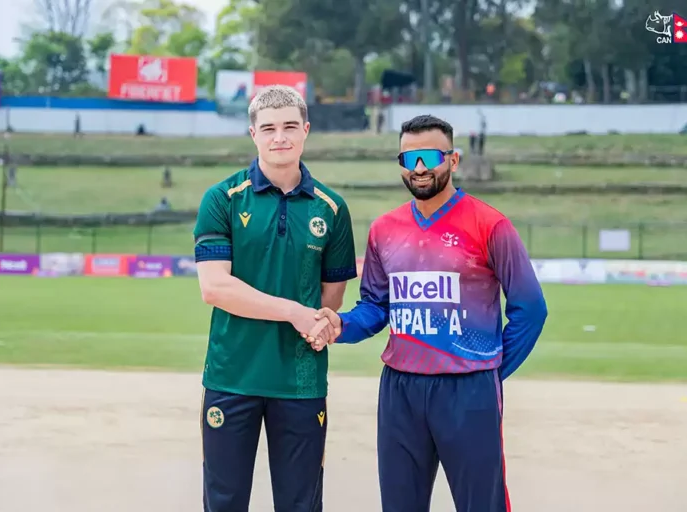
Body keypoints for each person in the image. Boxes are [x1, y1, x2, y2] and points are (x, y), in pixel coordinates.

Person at [305, 114, 548, 511]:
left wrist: (491, 370)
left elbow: (531, 309)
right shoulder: (384, 229)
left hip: (468, 389)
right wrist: (340, 324)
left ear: (453, 159)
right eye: (408, 158)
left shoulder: (490, 224)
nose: (419, 167)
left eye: (430, 156)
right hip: (400, 390)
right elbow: (376, 307)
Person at [193, 84, 357, 511]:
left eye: (289, 127)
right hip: (232, 376)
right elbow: (214, 288)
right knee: (224, 502)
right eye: (268, 128)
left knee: (301, 504)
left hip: (301, 382)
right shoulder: (222, 199)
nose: (279, 137)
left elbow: (331, 298)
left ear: (306, 130)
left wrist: (317, 321)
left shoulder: (332, 209)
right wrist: (293, 312)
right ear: (253, 134)